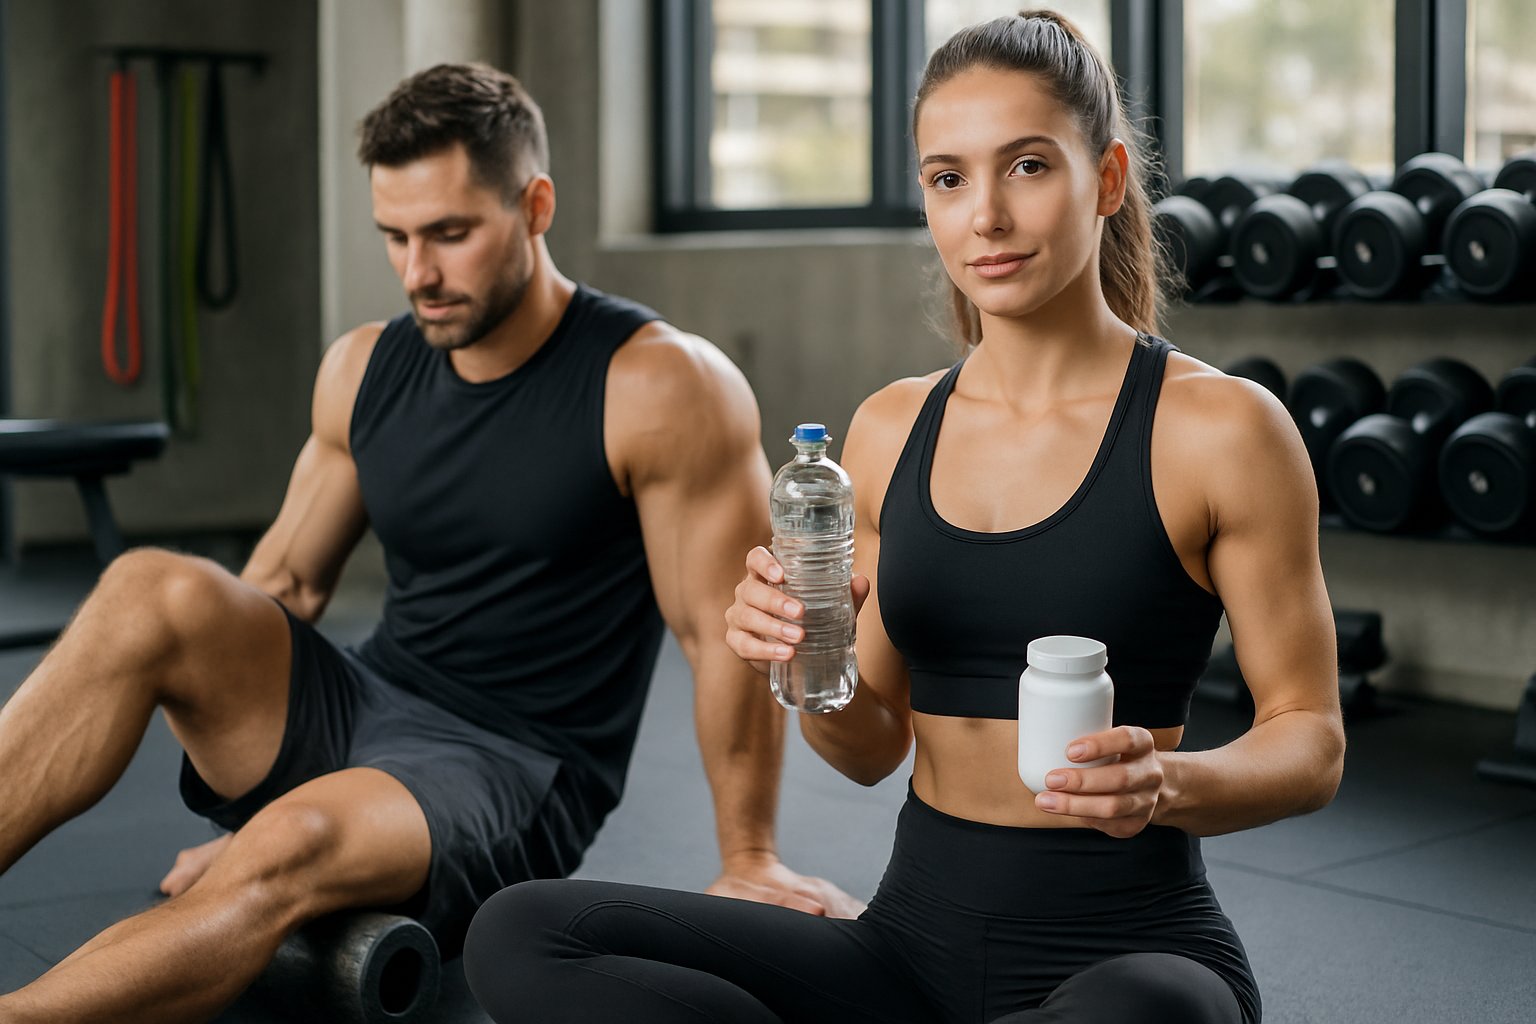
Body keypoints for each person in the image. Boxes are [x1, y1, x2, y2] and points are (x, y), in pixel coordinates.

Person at [460, 11, 1346, 1024]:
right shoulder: (888, 429)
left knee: (1155, 1013)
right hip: (907, 950)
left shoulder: (1220, 429)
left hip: (1126, 954)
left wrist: (1167, 781)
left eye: (1026, 167)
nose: (986, 219)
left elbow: (1309, 741)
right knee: (524, 929)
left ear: (1104, 180)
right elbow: (870, 743)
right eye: (948, 177)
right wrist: (804, 660)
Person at [0, 63, 859, 1023]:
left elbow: (717, 635)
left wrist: (748, 858)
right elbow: (282, 581)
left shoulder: (658, 384)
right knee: (149, 584)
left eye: (451, 234)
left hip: (508, 767)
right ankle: (287, 847)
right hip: (363, 704)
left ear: (535, 207)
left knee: (291, 845)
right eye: (396, 237)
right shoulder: (366, 365)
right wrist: (238, 796)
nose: (418, 273)